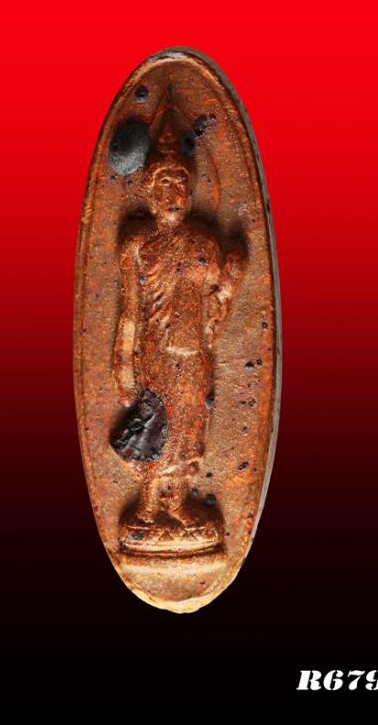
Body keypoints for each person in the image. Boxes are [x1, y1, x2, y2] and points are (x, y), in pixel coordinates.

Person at [111, 111, 244, 551]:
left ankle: (178, 504)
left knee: (190, 426)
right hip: (157, 354)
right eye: (163, 185)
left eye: (180, 185)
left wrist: (232, 277)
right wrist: (122, 362)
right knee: (160, 425)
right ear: (149, 191)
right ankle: (148, 509)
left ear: (190, 191)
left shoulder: (204, 243)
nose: (173, 195)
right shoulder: (138, 244)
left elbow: (216, 301)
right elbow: (129, 310)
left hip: (195, 352)